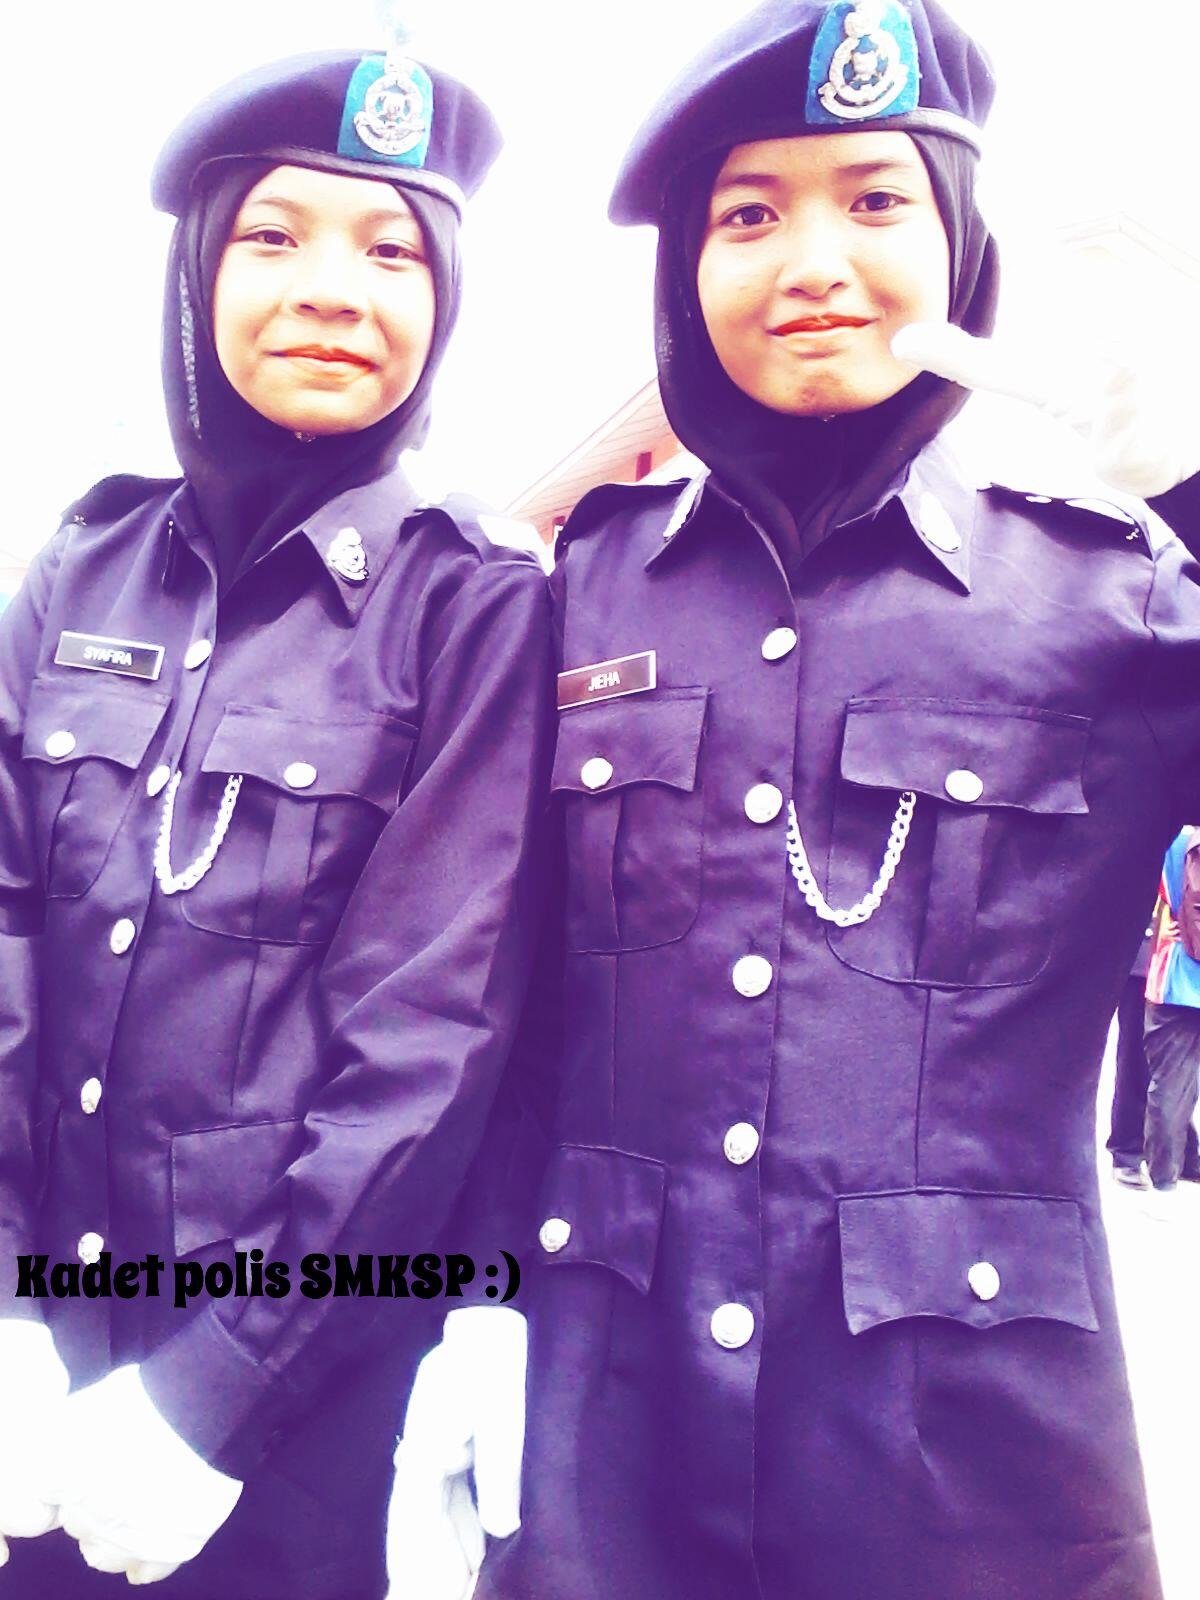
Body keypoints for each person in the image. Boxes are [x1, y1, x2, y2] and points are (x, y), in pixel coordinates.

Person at [399, 3, 1200, 1599]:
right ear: (684, 273)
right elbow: (506, 1004)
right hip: (600, 1439)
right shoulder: (583, 589)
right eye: (749, 214)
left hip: (969, 1467)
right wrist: (473, 1302)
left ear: (960, 240)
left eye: (875, 199)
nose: (811, 262)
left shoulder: (1113, 591)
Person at [0, 39, 553, 1599]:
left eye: (391, 252)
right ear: (197, 274)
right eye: (273, 236)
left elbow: (428, 1048)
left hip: (289, 1415)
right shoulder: (86, 565)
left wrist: (216, 1390)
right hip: (39, 1377)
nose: (331, 291)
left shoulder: (472, 601)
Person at [1143, 828, 1200, 1199]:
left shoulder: (1174, 838)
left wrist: (1162, 915)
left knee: (1169, 1084)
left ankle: (1164, 1177)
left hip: (1176, 980)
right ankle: (1187, 1163)